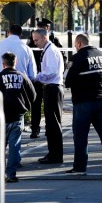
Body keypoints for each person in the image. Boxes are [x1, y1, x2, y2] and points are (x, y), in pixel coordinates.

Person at [64, 34, 102, 176]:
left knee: (81, 135)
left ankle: (80, 167)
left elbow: (68, 81)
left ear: (78, 44)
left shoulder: (78, 58)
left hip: (85, 101)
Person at [0, 52, 36, 183]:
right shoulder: (23, 77)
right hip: (18, 116)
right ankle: (11, 174)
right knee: (15, 146)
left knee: (0, 146)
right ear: (16, 62)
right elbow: (33, 95)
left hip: (1, 116)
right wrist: (25, 106)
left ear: (3, 64)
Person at [32, 28, 64, 164]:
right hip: (51, 88)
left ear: (44, 38)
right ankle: (53, 153)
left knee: (54, 124)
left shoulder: (50, 51)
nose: (35, 43)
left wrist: (36, 77)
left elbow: (50, 72)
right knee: (51, 124)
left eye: (36, 40)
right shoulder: (49, 50)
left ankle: (55, 155)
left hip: (53, 88)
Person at [27, 18, 62, 139]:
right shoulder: (33, 41)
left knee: (51, 114)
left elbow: (53, 67)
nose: (35, 42)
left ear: (47, 29)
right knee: (36, 105)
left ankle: (50, 130)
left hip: (46, 79)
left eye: (43, 27)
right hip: (40, 78)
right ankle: (35, 128)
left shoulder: (53, 43)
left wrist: (38, 76)